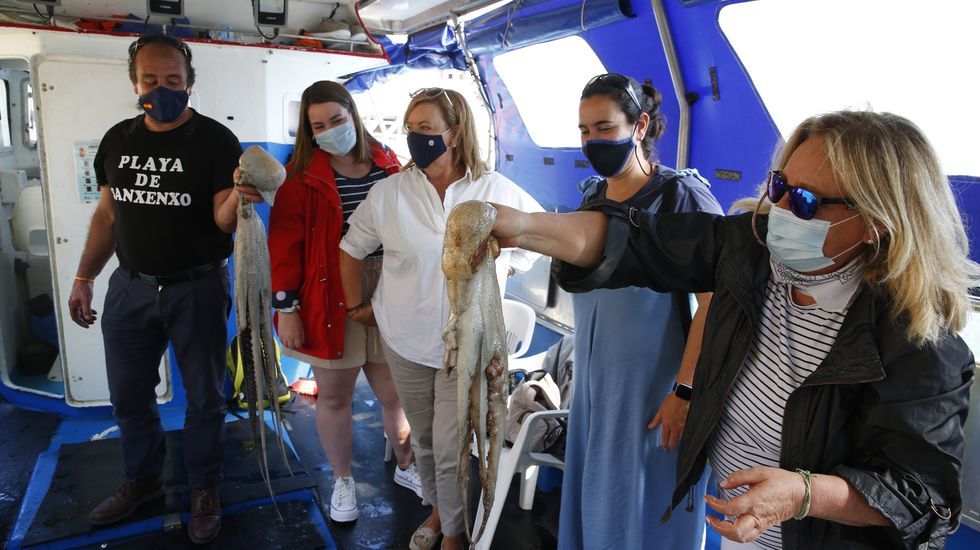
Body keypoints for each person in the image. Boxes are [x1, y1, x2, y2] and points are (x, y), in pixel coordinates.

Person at [489, 110, 977, 549]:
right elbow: (638, 241)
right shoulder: (750, 252)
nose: (781, 211)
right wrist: (523, 226)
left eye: (805, 202)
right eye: (779, 187)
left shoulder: (920, 346)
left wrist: (805, 494)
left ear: (876, 222)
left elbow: (922, 498)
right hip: (741, 530)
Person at [67, 34, 261, 544]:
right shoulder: (117, 140)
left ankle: (204, 487)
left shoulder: (217, 141)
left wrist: (239, 198)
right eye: (151, 80)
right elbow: (108, 215)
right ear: (135, 82)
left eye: (173, 81)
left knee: (205, 398)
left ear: (190, 83)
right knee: (128, 395)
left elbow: (222, 222)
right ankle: (143, 479)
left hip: (195, 287)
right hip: (129, 288)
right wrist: (84, 276)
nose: (161, 89)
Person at [338, 87, 543, 550]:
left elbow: (534, 247)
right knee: (426, 441)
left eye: (427, 129)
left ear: (455, 133)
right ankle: (437, 509)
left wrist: (503, 244)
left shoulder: (498, 191)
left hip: (467, 344)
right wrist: (357, 306)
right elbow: (350, 249)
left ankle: (454, 534)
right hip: (405, 338)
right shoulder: (389, 191)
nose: (416, 138)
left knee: (452, 449)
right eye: (410, 129)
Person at [557, 73, 721, 550]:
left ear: (640, 125)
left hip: (652, 389)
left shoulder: (680, 197)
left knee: (643, 506)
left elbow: (716, 302)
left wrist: (684, 392)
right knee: (597, 497)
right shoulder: (593, 197)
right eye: (585, 130)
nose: (593, 141)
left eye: (605, 128)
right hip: (595, 385)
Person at [267, 80, 421, 523]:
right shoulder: (300, 180)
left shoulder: (389, 165)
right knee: (334, 396)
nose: (331, 129)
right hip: (326, 291)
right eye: (319, 125)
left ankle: (407, 465)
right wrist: (287, 308)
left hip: (389, 289)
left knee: (394, 393)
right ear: (309, 131)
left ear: (353, 114)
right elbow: (285, 249)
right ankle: (342, 480)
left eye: (337, 119)